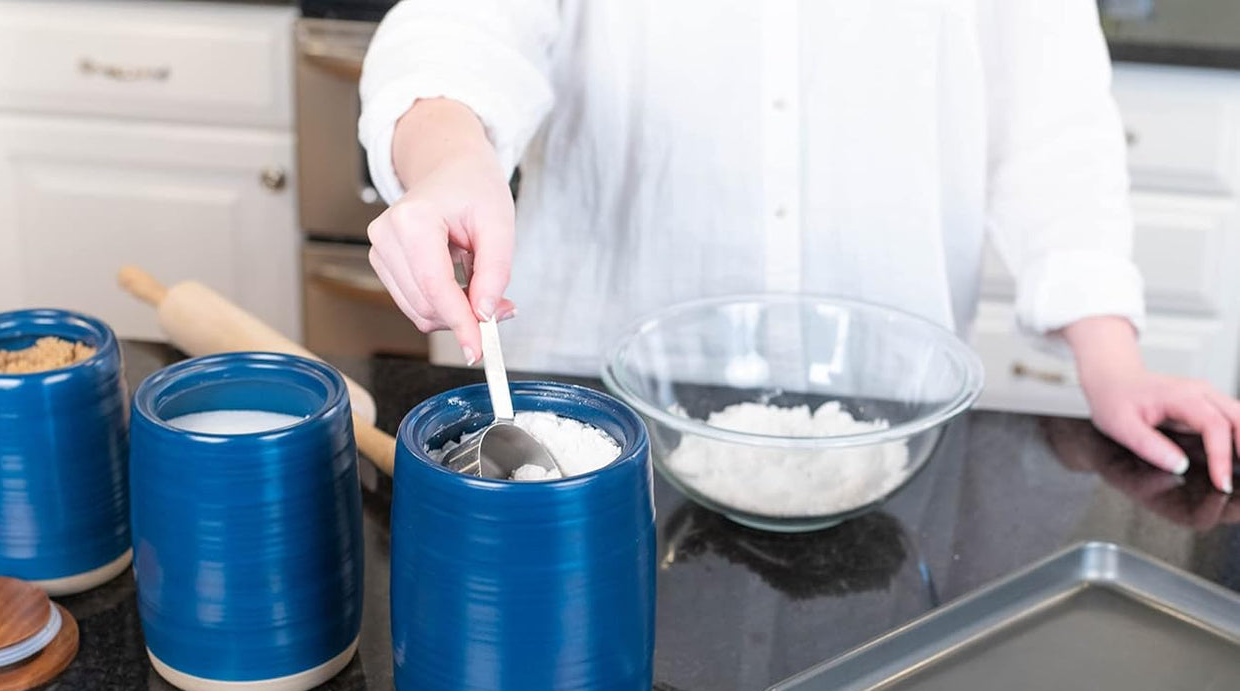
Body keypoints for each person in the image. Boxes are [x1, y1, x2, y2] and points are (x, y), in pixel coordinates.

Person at [358, 0, 1240, 492]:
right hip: (592, 415)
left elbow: (1052, 121)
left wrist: (1110, 359)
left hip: (887, 424)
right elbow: (455, 32)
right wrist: (448, 163)